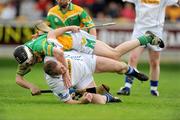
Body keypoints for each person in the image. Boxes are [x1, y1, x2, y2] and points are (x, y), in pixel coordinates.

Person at [13, 25, 164, 95]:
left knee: (114, 54)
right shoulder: (26, 55)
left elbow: (58, 52)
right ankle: (79, 90)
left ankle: (147, 38)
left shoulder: (43, 47)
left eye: (32, 62)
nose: (32, 64)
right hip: (70, 51)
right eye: (29, 64)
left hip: (77, 41)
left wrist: (65, 75)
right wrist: (31, 86)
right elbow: (18, 78)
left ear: (32, 54)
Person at [117, 0, 180, 96]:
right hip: (140, 30)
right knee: (133, 58)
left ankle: (154, 89)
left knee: (154, 62)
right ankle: (127, 87)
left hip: (156, 30)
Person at [43, 50, 149, 104]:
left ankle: (133, 73)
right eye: (61, 71)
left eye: (62, 66)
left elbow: (51, 36)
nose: (64, 69)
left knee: (120, 67)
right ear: (55, 75)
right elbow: (68, 101)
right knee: (100, 102)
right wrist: (82, 102)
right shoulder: (54, 83)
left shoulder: (52, 55)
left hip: (86, 61)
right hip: (82, 80)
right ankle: (109, 97)